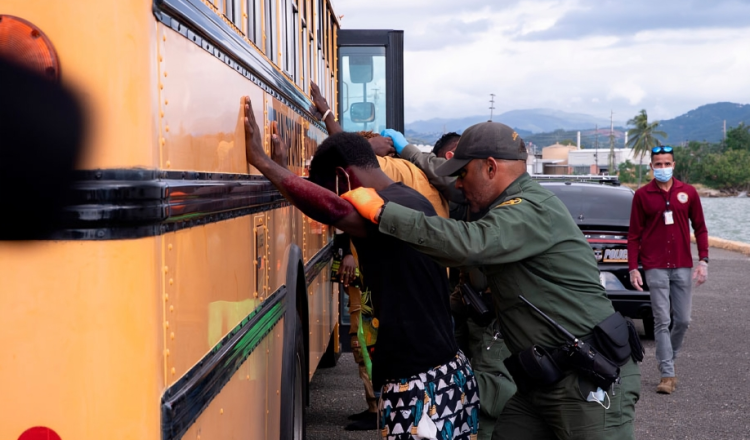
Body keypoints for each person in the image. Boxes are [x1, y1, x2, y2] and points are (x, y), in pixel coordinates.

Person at [341, 121, 641, 440]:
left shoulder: (529, 209)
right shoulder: (502, 211)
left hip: (585, 381)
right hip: (541, 380)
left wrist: (383, 213)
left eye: (462, 174)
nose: (457, 186)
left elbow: (468, 244)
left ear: (490, 168)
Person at [242, 96, 480, 439]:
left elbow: (330, 210)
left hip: (419, 384)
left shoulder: (382, 212)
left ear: (342, 179)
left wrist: (263, 163)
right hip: (449, 372)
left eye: (335, 191)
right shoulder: (408, 198)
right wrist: (290, 178)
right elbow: (331, 199)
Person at [627, 145, 708, 395]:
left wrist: (704, 260)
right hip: (655, 267)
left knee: (683, 320)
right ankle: (667, 374)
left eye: (667, 163)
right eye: (658, 164)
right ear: (651, 167)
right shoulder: (642, 196)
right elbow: (633, 236)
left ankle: (668, 359)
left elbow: (701, 228)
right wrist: (633, 269)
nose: (662, 168)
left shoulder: (689, 193)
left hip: (683, 265)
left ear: (674, 165)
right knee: (662, 320)